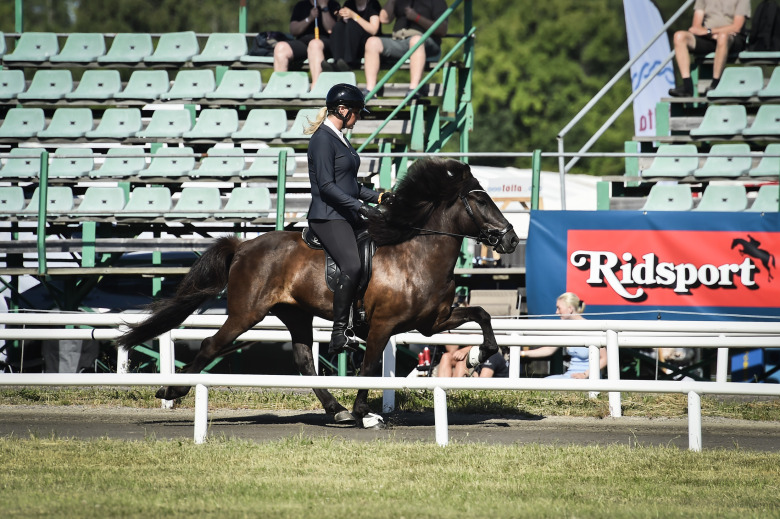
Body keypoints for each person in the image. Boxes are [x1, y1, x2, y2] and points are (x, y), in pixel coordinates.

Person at [306, 83, 388, 354]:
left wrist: (377, 197)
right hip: (328, 216)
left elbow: (349, 183)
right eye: (356, 112)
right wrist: (360, 207)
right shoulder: (322, 139)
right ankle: (339, 332)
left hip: (345, 211)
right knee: (352, 266)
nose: (358, 117)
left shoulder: (340, 137)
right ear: (342, 110)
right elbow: (328, 187)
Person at [363, 0, 448, 98]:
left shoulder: (437, 2)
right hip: (400, 42)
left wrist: (417, 18)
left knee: (416, 41)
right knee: (372, 42)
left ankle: (414, 89)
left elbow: (442, 29)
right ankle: (370, 90)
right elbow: (384, 19)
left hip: (426, 43)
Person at [668, 0, 751, 97]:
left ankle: (715, 84)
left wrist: (710, 31)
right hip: (708, 37)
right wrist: (710, 34)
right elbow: (696, 26)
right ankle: (687, 87)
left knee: (723, 37)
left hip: (732, 38)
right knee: (679, 36)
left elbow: (736, 27)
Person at [519, 292, 607, 379]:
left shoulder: (591, 328)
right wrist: (522, 353)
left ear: (570, 309)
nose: (556, 312)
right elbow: (549, 349)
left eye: (559, 308)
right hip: (570, 376)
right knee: (544, 383)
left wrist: (585, 374)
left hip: (588, 378)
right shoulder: (566, 328)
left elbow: (604, 358)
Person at [273, 0, 342, 88]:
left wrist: (324, 8)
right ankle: (280, 87)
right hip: (303, 43)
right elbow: (294, 30)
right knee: (280, 47)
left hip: (325, 43)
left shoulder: (333, 5)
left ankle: (316, 87)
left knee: (314, 45)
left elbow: (331, 29)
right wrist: (309, 18)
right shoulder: (301, 5)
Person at [315, 0, 383, 73]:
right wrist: (340, 15)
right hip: (350, 43)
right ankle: (337, 61)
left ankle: (349, 62)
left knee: (352, 25)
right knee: (338, 26)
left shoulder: (373, 4)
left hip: (366, 45)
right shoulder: (349, 3)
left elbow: (373, 30)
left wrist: (354, 16)